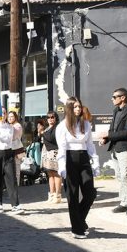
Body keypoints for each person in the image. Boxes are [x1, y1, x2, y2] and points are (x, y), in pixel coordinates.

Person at [56, 96, 100, 239]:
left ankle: (79, 219)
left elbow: (90, 145)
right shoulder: (62, 126)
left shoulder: (85, 124)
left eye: (79, 107)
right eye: (75, 107)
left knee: (90, 193)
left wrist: (95, 162)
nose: (78, 109)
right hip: (69, 158)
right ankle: (77, 228)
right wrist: (62, 167)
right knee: (73, 195)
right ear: (69, 108)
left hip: (84, 157)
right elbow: (62, 148)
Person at [100, 88, 127, 216]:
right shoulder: (116, 110)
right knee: (119, 176)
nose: (112, 99)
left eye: (114, 97)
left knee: (125, 175)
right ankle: (123, 202)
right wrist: (105, 139)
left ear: (123, 98)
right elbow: (112, 129)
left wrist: (109, 135)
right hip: (115, 147)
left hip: (125, 147)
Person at [0, 108, 23, 214]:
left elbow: (13, 138)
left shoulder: (10, 127)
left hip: (8, 153)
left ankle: (15, 205)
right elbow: (1, 139)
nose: (3, 115)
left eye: (4, 113)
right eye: (0, 113)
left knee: (11, 178)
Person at [42, 111, 62, 204]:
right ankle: (52, 193)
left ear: (56, 118)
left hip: (55, 152)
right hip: (48, 153)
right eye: (48, 117)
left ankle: (58, 195)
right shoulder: (47, 128)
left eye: (52, 117)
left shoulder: (57, 128)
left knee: (56, 174)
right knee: (50, 174)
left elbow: (51, 138)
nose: (50, 119)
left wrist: (43, 133)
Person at [8, 111, 24, 186]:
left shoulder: (17, 126)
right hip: (11, 150)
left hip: (16, 150)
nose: (10, 118)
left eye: (12, 116)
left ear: (15, 117)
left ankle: (16, 187)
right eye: (9, 116)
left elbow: (12, 137)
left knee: (16, 169)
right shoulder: (9, 126)